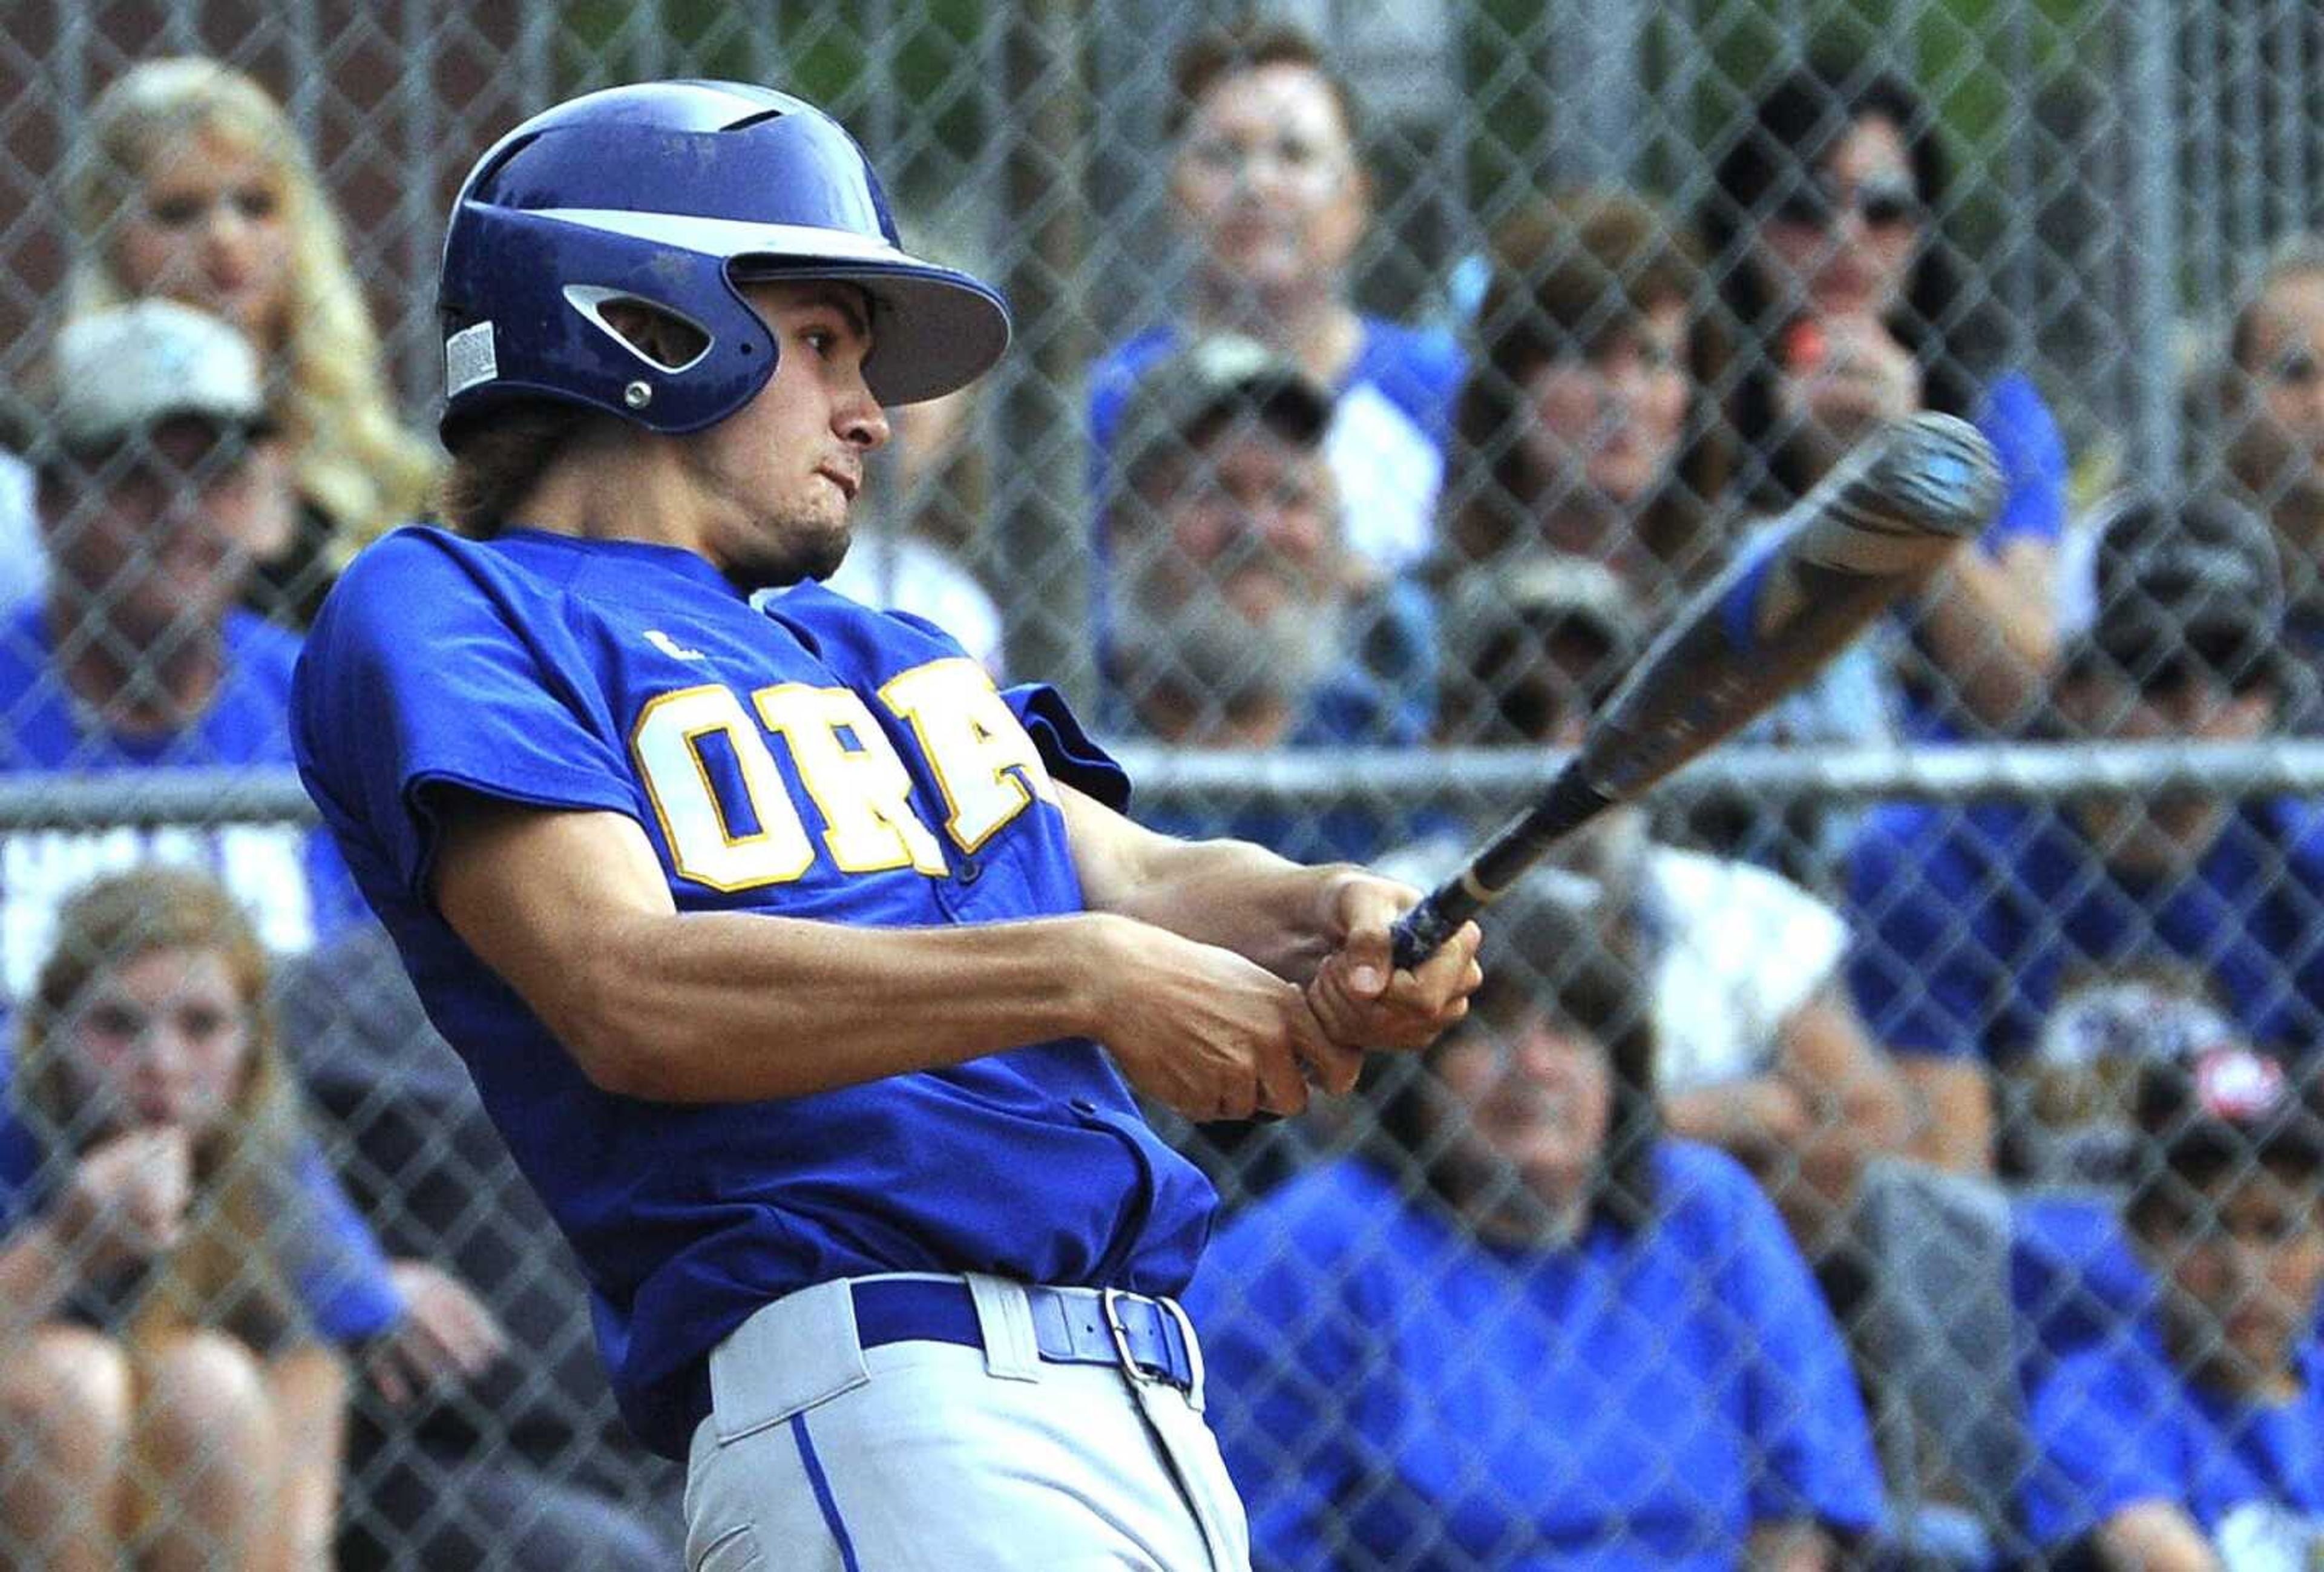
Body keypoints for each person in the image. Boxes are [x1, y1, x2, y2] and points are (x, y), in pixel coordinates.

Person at [289, 81, 1481, 1571]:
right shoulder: (455, 604)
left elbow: (1145, 875)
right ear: (643, 321)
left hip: (1147, 1407)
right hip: (883, 1391)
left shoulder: (880, 652)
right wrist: (1090, 977)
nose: (871, 411)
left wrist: (1338, 908)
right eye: (820, 344)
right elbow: (623, 989)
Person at [1184, 869, 1887, 1570]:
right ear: (1417, 1076)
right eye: (1485, 1031)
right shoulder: (1319, 1246)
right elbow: (1240, 1534)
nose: (1535, 1064)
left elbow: (1801, 1513)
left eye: (1571, 1030)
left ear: (1622, 1071)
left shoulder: (1709, 1213)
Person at [1431, 553, 1912, 1258]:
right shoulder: (1393, 898)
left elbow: (1870, 1132)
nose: (1566, 745)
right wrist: (1726, 1116)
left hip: (1700, 1281)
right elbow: (1366, 1139)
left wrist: (1565, 1134)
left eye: (1602, 706)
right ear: (1450, 735)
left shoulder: (1743, 908)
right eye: (1518, 711)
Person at [1846, 492, 2324, 1175]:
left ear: (2274, 693)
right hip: (2023, 1269)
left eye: (2235, 666)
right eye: (2157, 666)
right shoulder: (1937, 863)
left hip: (2249, 1263)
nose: (2198, 704)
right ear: (2074, 689)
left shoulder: (2306, 865)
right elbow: (1947, 1198)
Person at [0, 867, 395, 1570]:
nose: (162, 1063)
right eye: (117, 1024)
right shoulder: (12, 1107)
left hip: (175, 1487)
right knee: (70, 1381)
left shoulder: (258, 1130)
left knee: (209, 1382)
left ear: (251, 1044)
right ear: (50, 1032)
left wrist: (301, 1546)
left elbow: (314, 1349)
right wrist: (63, 1246)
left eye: (202, 1024)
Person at [0, 297, 367, 992]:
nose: (178, 514)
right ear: (50, 503)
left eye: (213, 473)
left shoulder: (324, 703)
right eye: (134, 476)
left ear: (264, 500)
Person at [1702, 56, 2069, 743]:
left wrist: (1901, 466)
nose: (1846, 237)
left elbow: (2022, 690)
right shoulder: (1689, 396)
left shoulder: (1996, 411)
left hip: (1941, 817)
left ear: (1923, 229)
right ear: (1744, 227)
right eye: (1803, 206)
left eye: (1883, 208)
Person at [56, 56, 439, 626]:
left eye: (256, 204)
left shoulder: (384, 469)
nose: (225, 237)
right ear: (111, 239)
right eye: (179, 211)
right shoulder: (71, 466)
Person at [1089, 18, 1463, 585]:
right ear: (1173, 194)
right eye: (1221, 155)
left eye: (1293, 153)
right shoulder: (1112, 404)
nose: (1256, 184)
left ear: (1356, 197)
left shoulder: (1443, 392)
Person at [1101, 331, 1422, 863]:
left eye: (1290, 495)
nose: (1255, 529)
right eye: (1212, 490)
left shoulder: (1378, 740)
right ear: (1129, 526)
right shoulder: (1062, 724)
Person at [2019, 1044, 2324, 1568]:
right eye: (2202, 1227)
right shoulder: (2099, 1397)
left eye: (2279, 1229)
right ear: (2141, 1234)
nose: (2243, 1273)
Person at [1436, 188, 1732, 610]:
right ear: (1510, 381)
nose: (1623, 394)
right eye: (1587, 354)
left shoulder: (1743, 600)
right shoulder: (1419, 618)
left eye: (1655, 359)